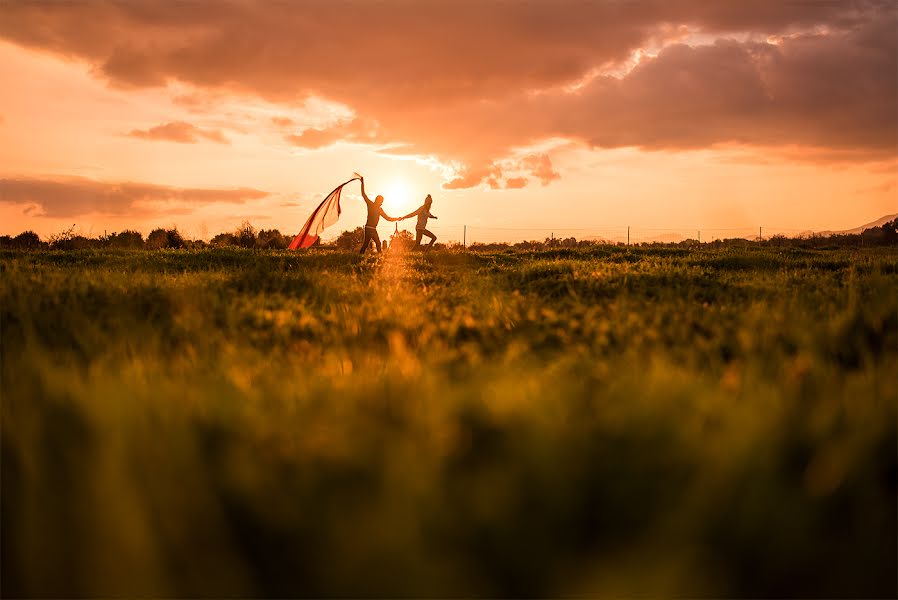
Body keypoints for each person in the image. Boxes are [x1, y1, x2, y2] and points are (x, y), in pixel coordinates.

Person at [358, 176, 400, 254]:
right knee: (371, 243)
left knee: (374, 243)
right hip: (369, 228)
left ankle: (379, 257)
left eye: (382, 201)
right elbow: (364, 194)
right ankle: (378, 256)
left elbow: (388, 218)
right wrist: (362, 184)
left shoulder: (380, 210)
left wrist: (397, 218)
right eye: (381, 201)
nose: (381, 203)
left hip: (373, 228)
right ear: (377, 200)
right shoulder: (370, 204)